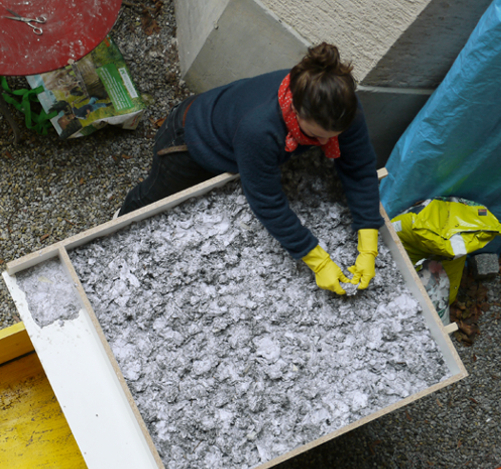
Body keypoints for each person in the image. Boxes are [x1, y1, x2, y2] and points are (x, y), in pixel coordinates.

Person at [119, 43, 382, 295]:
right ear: (295, 110)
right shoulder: (259, 130)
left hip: (236, 138)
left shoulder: (342, 109)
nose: (325, 144)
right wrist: (317, 260)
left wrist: (368, 236)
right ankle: (118, 219)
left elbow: (359, 167)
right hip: (189, 142)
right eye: (316, 135)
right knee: (153, 197)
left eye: (332, 135)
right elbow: (267, 202)